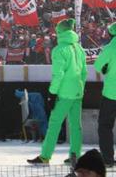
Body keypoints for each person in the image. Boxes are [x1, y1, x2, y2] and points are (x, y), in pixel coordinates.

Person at [28, 19, 87, 165]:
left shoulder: (59, 50)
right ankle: (75, 155)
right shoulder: (79, 48)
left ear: (60, 32)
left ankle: (45, 156)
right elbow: (84, 72)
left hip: (64, 94)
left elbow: (58, 75)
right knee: (75, 125)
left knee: (54, 124)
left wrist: (52, 93)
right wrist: (80, 88)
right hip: (78, 92)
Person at [94, 22, 116, 168]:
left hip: (111, 94)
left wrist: (106, 67)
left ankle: (108, 159)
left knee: (105, 126)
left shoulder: (109, 49)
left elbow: (97, 66)